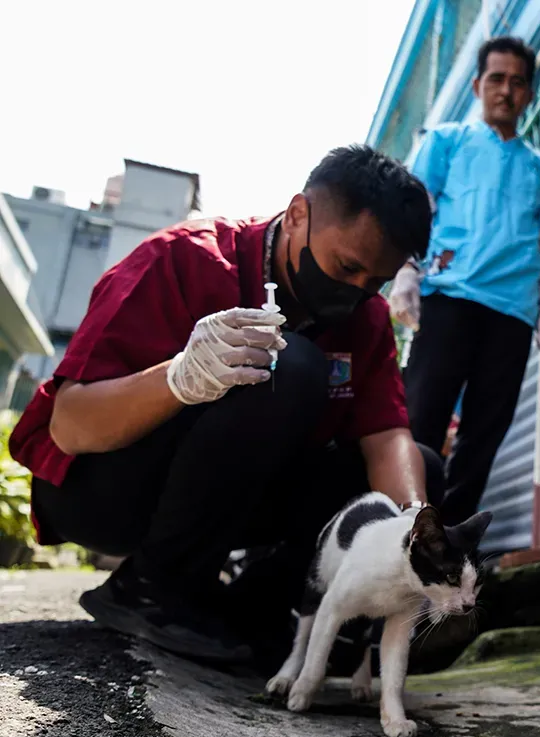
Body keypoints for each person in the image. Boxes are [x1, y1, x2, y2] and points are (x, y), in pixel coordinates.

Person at [8, 145, 442, 665]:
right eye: (347, 266)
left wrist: (415, 530)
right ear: (299, 214)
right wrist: (180, 379)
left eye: (375, 281)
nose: (356, 292)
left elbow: (386, 437)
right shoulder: (183, 259)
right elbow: (70, 427)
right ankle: (150, 588)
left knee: (423, 471)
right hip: (100, 489)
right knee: (290, 364)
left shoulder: (366, 320)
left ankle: (251, 610)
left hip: (235, 506)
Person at [388, 35, 540, 527]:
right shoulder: (446, 143)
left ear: (530, 92)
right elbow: (414, 208)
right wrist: (406, 269)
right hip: (448, 296)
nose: (506, 91)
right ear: (477, 85)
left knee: (485, 434)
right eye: (496, 79)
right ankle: (400, 528)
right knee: (421, 417)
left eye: (518, 82)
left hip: (512, 312)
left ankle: (448, 542)